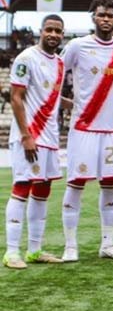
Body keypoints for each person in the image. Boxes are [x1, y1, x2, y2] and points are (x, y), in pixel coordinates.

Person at [59, 0, 113, 262]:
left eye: (111, 16)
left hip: (111, 130)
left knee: (110, 186)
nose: (106, 19)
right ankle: (70, 246)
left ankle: (108, 244)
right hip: (84, 128)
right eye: (101, 14)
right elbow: (55, 74)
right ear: (93, 16)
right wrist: (65, 103)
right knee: (76, 184)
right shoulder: (77, 46)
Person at [3, 14, 67, 269]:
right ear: (41, 31)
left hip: (50, 137)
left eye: (58, 31)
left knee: (42, 192)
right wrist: (26, 135)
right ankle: (11, 252)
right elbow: (16, 97)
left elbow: (50, 97)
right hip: (29, 136)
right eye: (49, 29)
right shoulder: (26, 58)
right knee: (22, 188)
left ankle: (34, 250)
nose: (53, 34)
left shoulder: (60, 63)